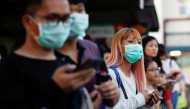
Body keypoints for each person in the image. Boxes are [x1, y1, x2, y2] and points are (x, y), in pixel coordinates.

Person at [0, 0, 97, 108]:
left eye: (65, 19)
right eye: (52, 18)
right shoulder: (7, 68)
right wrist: (54, 90)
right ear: (28, 22)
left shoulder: (66, 65)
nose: (60, 26)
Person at [56, 0, 119, 108]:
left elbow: (105, 81)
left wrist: (113, 93)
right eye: (70, 12)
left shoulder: (92, 48)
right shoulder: (46, 53)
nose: (76, 16)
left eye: (80, 10)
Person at [105, 28, 160, 109]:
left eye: (139, 43)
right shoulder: (111, 74)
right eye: (130, 42)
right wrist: (141, 98)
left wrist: (147, 102)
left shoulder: (134, 75)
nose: (136, 46)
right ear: (119, 46)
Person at [142, 36, 173, 109]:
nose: (154, 48)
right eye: (151, 45)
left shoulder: (158, 63)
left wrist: (164, 84)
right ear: (143, 47)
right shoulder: (139, 65)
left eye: (156, 46)